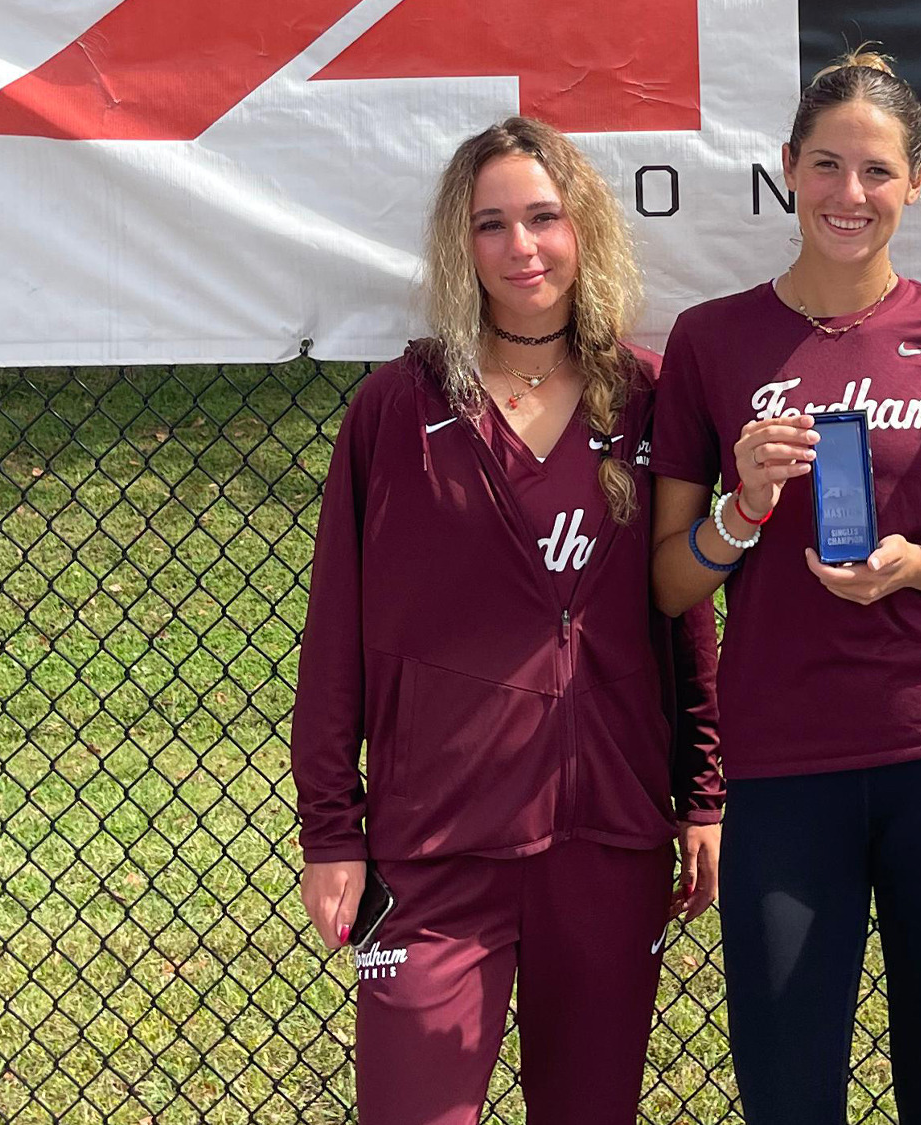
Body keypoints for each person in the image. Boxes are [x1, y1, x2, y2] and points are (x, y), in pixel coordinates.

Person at [289, 116, 723, 1125]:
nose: (522, 247)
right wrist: (330, 831)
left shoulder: (646, 395)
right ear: (459, 242)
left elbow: (681, 612)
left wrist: (701, 792)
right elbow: (334, 637)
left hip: (605, 835)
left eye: (543, 217)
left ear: (584, 231)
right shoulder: (398, 410)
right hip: (435, 843)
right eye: (492, 225)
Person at [646, 50, 921, 1125]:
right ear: (785, 169)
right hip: (784, 772)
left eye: (875, 172)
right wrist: (742, 510)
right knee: (785, 1092)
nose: (848, 195)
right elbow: (671, 580)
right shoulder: (710, 341)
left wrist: (917, 567)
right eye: (826, 166)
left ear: (915, 182)